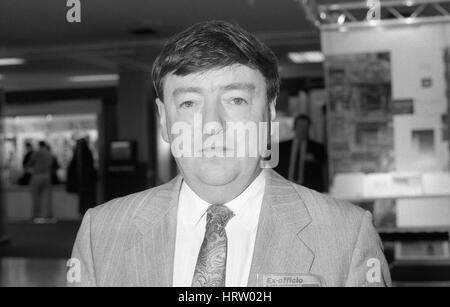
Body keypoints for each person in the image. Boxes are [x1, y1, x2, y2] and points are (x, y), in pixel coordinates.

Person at [70, 20, 391, 287]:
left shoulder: (346, 235)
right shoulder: (101, 233)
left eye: (235, 100)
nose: (212, 124)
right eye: (189, 103)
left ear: (269, 113)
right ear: (165, 121)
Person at [275, 115, 328, 192]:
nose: (302, 129)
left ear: (309, 128)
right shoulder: (281, 147)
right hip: (286, 188)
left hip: (309, 190)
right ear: (294, 127)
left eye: (305, 126)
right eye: (300, 126)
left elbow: (322, 171)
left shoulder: (317, 148)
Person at [66, 138, 98, 216]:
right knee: (87, 200)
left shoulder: (80, 154)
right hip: (86, 183)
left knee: (86, 200)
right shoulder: (86, 153)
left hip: (85, 183)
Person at [29, 141, 54, 223]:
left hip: (37, 175)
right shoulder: (49, 153)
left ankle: (36, 215)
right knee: (47, 197)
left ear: (39, 145)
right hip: (47, 175)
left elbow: (30, 162)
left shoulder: (38, 152)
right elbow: (52, 163)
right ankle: (48, 215)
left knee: (36, 197)